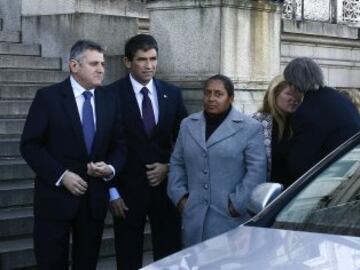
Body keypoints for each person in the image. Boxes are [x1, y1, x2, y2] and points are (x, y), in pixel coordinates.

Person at [20, 40, 126, 269]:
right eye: (94, 64)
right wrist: (61, 175)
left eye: (103, 64)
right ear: (74, 66)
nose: (101, 69)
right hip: (55, 200)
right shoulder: (48, 98)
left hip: (93, 202)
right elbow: (30, 145)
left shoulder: (110, 99)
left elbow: (120, 145)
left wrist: (110, 169)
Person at [107, 34, 187, 270]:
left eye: (153, 59)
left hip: (165, 192)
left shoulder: (172, 93)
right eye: (142, 59)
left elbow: (185, 142)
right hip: (126, 192)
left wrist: (169, 168)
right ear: (127, 61)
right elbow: (104, 146)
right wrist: (112, 193)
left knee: (169, 254)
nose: (149, 65)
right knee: (128, 256)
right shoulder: (110, 95)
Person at [167, 74, 267, 247]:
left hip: (229, 220)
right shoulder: (188, 124)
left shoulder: (249, 127)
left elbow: (256, 172)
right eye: (207, 93)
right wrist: (180, 198)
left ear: (231, 98)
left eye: (218, 94)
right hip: (194, 219)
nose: (211, 98)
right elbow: (177, 164)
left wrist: (237, 204)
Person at [283, 57, 360, 183]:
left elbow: (300, 165)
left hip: (329, 184)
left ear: (294, 85)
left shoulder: (306, 111)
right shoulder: (341, 99)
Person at [253, 75, 303, 185]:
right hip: (265, 195)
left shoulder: (301, 122)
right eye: (289, 93)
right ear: (274, 94)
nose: (294, 99)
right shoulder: (257, 122)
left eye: (298, 93)